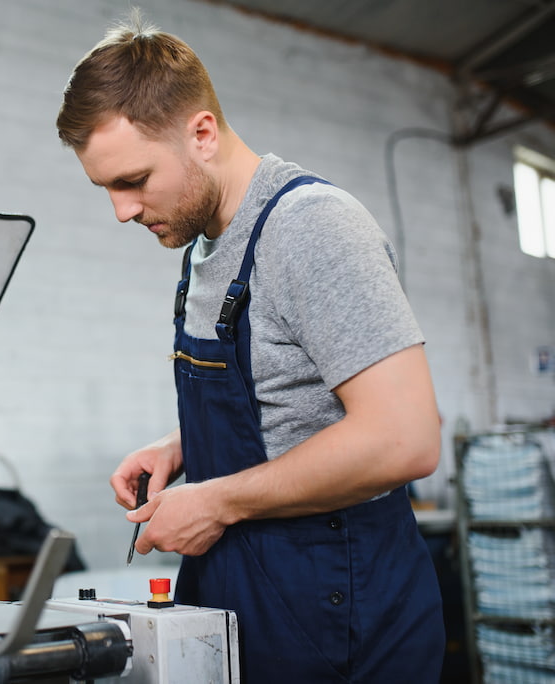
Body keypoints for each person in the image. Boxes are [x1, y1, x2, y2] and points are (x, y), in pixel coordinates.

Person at [56, 11, 445, 683]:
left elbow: (405, 439)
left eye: (133, 180)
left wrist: (213, 500)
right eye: (107, 189)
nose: (122, 210)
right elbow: (284, 397)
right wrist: (182, 446)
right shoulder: (204, 247)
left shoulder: (312, 229)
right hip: (243, 592)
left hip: (337, 607)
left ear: (201, 133)